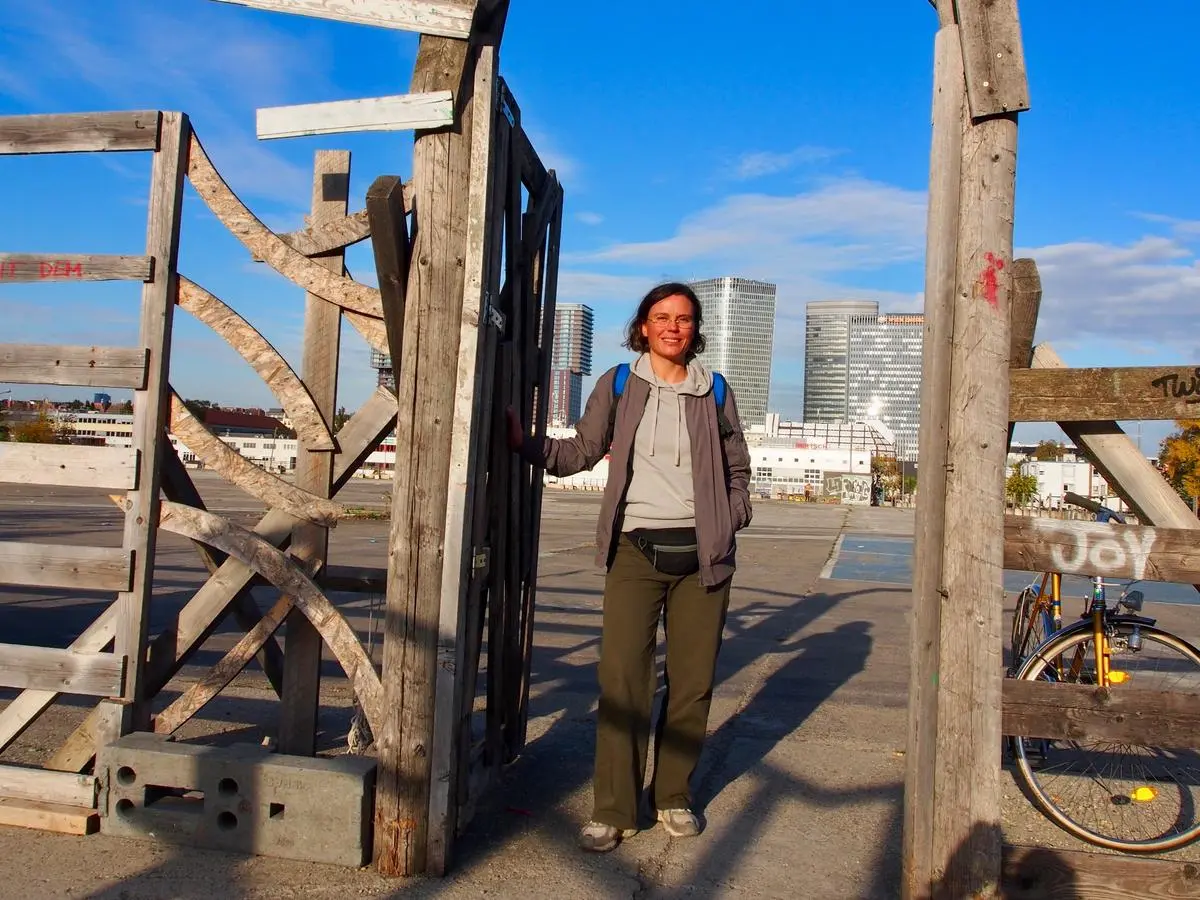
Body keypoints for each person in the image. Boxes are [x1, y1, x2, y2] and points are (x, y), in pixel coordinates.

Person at [507, 281, 752, 852]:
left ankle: (672, 796)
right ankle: (614, 808)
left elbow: (738, 465)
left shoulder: (713, 390)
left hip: (704, 559)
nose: (673, 327)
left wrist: (732, 515)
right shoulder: (618, 384)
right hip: (636, 552)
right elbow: (579, 453)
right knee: (623, 683)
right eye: (661, 317)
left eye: (684, 319)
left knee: (691, 684)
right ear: (642, 326)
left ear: (696, 330)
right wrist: (526, 444)